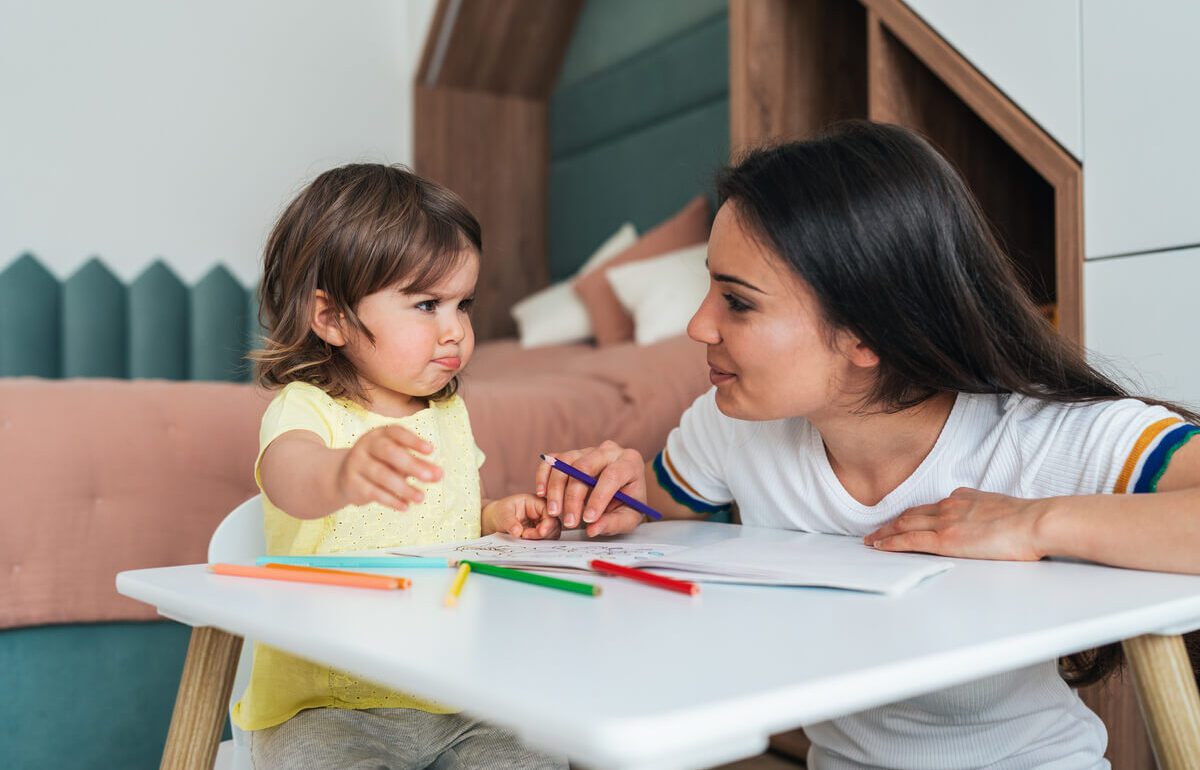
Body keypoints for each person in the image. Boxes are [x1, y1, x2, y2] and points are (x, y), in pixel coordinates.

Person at [535, 121, 1200, 770]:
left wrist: (1034, 522)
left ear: (865, 333)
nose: (698, 325)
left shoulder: (1035, 442)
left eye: (738, 302)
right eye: (708, 287)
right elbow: (657, 500)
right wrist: (618, 489)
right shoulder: (735, 425)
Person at [237, 163, 563, 770]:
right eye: (426, 304)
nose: (455, 332)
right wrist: (341, 473)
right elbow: (289, 477)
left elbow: (449, 519)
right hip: (328, 705)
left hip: (452, 692)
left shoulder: (447, 412)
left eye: (463, 304)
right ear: (330, 318)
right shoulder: (306, 411)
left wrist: (497, 517)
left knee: (540, 755)